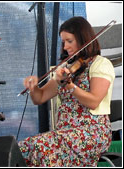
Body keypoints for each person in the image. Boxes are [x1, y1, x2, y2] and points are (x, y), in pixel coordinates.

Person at [18, 16, 115, 167]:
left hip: (92, 132)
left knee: (41, 147)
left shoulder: (100, 64)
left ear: (83, 39)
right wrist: (33, 88)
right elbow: (40, 97)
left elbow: (94, 101)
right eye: (63, 42)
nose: (65, 47)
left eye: (69, 41)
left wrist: (69, 86)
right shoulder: (66, 69)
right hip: (65, 133)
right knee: (23, 148)